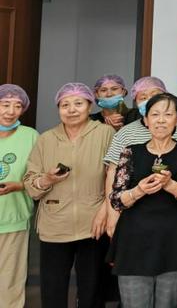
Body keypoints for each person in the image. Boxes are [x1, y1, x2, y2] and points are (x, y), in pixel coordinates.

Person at [24, 82, 114, 308]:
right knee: (53, 290)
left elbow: (117, 177)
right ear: (58, 108)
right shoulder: (46, 139)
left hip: (93, 224)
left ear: (89, 105)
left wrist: (105, 211)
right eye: (65, 105)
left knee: (92, 291)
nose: (71, 109)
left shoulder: (105, 133)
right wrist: (47, 179)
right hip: (55, 224)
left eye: (78, 103)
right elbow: (30, 183)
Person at [108, 93, 177, 308]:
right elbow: (116, 199)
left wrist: (169, 185)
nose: (161, 120)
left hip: (173, 240)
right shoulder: (131, 152)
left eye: (168, 114)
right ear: (146, 119)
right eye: (155, 114)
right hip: (134, 240)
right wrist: (139, 190)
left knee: (167, 304)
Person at [103, 76, 177, 238]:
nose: (161, 121)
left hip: (175, 221)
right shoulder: (126, 135)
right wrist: (112, 215)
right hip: (135, 219)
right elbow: (113, 177)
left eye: (155, 94)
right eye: (143, 97)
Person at [0, 84, 38, 308]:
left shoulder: (31, 136)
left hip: (14, 217)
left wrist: (19, 185)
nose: (10, 111)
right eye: (5, 105)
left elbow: (38, 174)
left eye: (17, 106)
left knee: (10, 278)